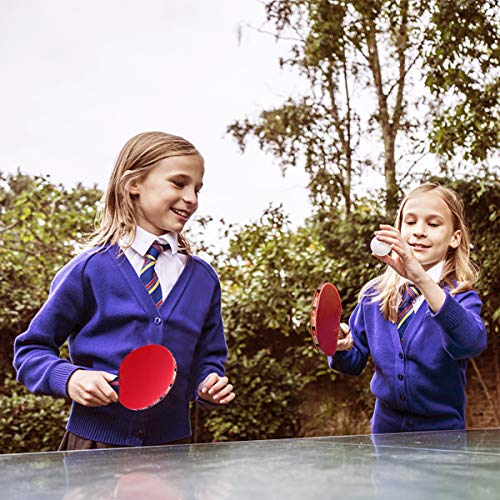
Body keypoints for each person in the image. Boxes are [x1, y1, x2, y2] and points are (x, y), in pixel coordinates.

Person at [14, 131, 235, 449]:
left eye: (197, 189)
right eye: (179, 183)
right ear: (134, 184)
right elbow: (30, 351)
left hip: (172, 451)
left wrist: (208, 384)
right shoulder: (90, 269)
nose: (192, 199)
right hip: (92, 448)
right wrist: (71, 377)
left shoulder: (203, 279)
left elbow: (209, 357)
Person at [330, 182, 487, 433]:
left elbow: (471, 343)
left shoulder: (461, 296)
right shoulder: (374, 294)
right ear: (399, 229)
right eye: (410, 222)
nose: (420, 232)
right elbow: (352, 363)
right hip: (385, 439)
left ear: (455, 238)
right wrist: (340, 346)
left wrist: (421, 279)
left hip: (443, 443)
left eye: (433, 224)